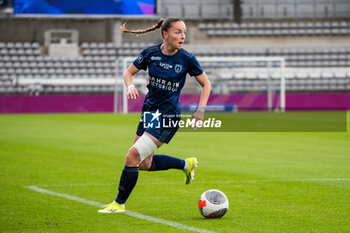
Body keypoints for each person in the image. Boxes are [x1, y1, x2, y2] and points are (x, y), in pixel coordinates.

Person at [98, 17, 211, 213]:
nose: (182, 36)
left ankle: (119, 203)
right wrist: (130, 86)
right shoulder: (150, 53)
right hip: (149, 113)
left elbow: (206, 84)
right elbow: (128, 73)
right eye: (178, 32)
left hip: (168, 117)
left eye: (184, 32)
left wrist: (200, 110)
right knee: (143, 164)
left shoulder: (187, 58)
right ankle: (186, 164)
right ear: (165, 34)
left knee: (132, 155)